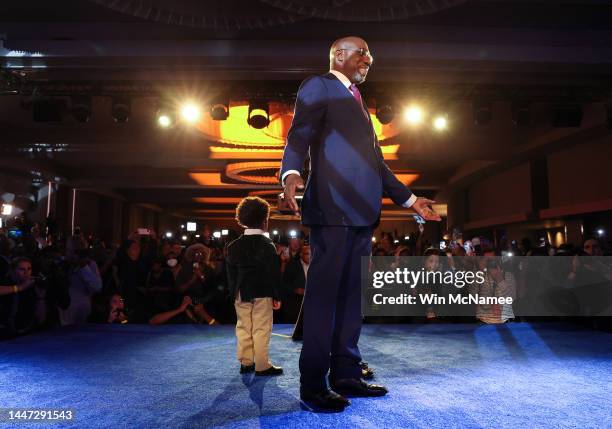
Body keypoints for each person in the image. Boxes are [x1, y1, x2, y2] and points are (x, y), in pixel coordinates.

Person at [280, 36, 441, 410]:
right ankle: (313, 384)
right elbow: (299, 134)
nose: (369, 59)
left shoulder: (361, 105)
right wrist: (290, 172)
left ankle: (347, 375)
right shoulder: (318, 85)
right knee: (323, 300)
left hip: (363, 214)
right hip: (332, 210)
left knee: (353, 299)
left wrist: (413, 200)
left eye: (371, 54)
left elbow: (378, 166)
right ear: (340, 55)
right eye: (363, 52)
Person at [226, 197, 283, 376]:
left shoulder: (233, 246)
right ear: (264, 220)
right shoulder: (268, 245)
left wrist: (233, 293)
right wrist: (277, 296)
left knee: (243, 326)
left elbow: (231, 274)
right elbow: (274, 274)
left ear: (242, 219)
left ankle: (246, 362)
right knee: (261, 328)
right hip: (263, 292)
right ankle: (262, 365)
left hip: (241, 292)